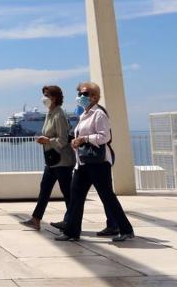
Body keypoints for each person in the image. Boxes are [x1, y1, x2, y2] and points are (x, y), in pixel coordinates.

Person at [55, 81, 134, 243]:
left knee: (107, 197)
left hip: (98, 164)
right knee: (76, 197)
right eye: (79, 94)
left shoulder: (99, 114)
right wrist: (76, 141)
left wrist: (84, 138)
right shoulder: (84, 114)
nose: (80, 97)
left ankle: (126, 229)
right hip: (83, 163)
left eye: (84, 94)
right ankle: (71, 232)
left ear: (94, 97)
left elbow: (105, 137)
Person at [21, 85, 74, 231]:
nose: (44, 98)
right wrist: (43, 139)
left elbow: (63, 139)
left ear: (55, 98)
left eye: (46, 95)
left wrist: (47, 141)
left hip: (62, 161)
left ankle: (72, 223)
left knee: (67, 193)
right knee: (44, 190)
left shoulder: (59, 114)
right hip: (51, 160)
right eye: (43, 94)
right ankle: (36, 219)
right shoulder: (50, 113)